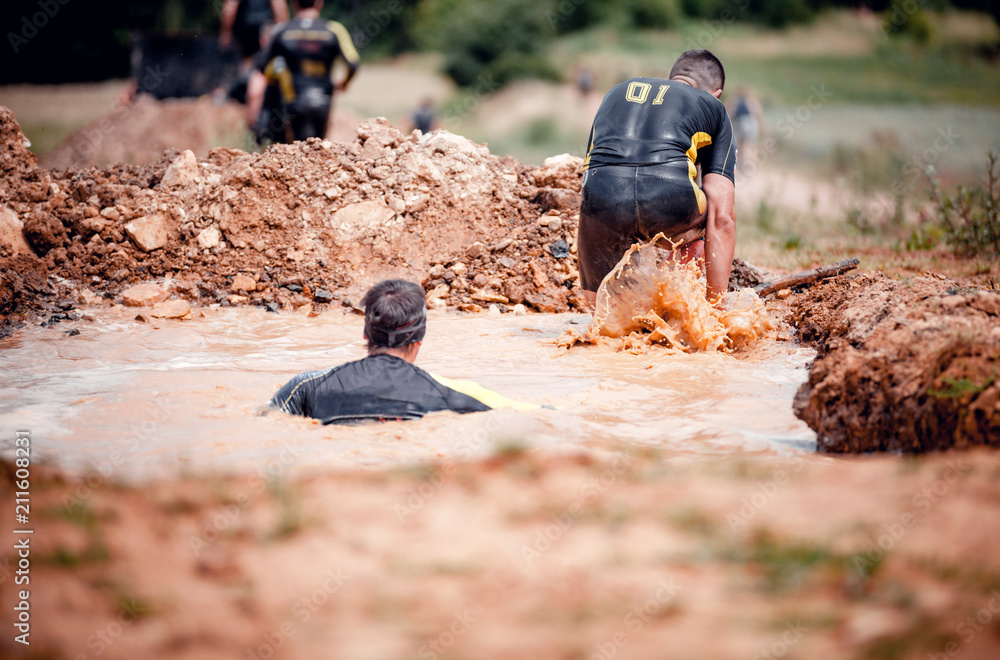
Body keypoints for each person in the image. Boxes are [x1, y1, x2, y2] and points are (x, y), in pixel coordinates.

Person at [577, 49, 736, 305]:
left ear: (673, 77)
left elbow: (588, 175)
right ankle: (699, 309)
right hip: (670, 202)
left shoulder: (613, 93)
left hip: (602, 200)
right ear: (716, 94)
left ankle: (614, 301)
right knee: (710, 218)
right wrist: (719, 303)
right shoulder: (713, 106)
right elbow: (724, 215)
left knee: (601, 311)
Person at [268, 280, 532, 424]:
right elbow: (541, 415)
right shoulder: (455, 392)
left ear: (365, 334)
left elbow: (263, 425)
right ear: (420, 339)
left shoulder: (307, 386)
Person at [246, 0, 360, 144]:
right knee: (319, 147)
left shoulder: (282, 30)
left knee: (299, 149)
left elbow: (263, 68)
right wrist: (344, 83)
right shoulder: (334, 29)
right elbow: (353, 63)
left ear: (293, 3)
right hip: (323, 99)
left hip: (294, 101)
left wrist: (274, 81)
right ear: (319, 3)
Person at [728, 87, 764, 172]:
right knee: (752, 146)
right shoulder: (751, 100)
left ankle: (740, 165)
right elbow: (758, 113)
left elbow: (729, 113)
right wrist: (761, 127)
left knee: (739, 145)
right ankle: (752, 166)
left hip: (739, 122)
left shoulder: (734, 100)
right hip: (752, 123)